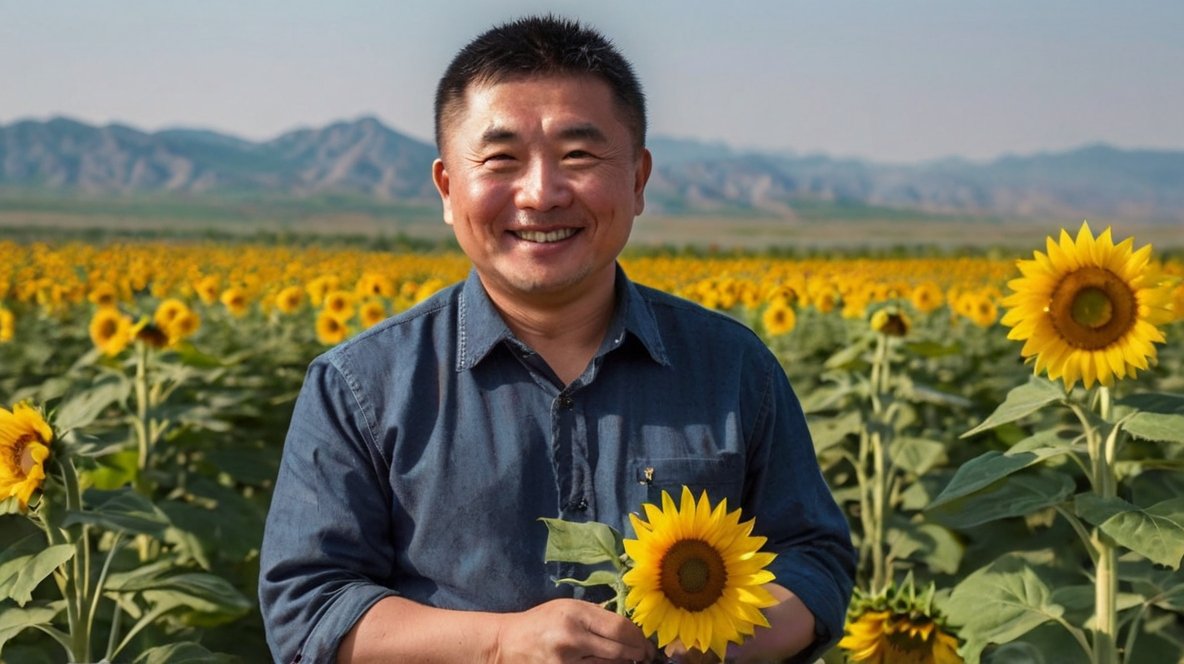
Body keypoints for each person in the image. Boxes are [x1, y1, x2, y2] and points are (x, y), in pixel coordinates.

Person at [259, 15, 854, 664]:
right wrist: (499, 645)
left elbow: (814, 559)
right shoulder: (362, 385)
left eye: (579, 156)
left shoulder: (734, 369)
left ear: (637, 179)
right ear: (448, 189)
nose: (541, 193)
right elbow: (308, 607)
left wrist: (713, 647)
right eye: (501, 160)